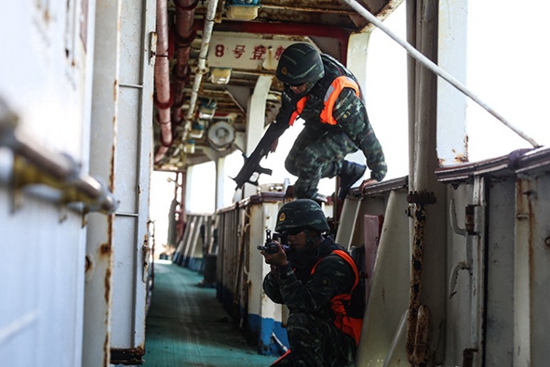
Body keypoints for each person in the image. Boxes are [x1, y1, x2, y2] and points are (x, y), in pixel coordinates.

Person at [272, 42, 387, 200]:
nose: (293, 89)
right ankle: (348, 170)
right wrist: (276, 135)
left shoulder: (341, 95)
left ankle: (307, 203)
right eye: (289, 84)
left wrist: (377, 173)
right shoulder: (295, 82)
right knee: (292, 164)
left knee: (309, 159)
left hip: (345, 132)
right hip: (320, 123)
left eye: (298, 85)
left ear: (312, 78)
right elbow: (286, 110)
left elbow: (365, 133)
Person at [261, 199, 362, 366]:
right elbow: (275, 295)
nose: (290, 238)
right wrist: (278, 268)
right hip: (318, 340)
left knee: (299, 321)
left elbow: (303, 304)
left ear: (314, 231)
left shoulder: (333, 262)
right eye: (286, 234)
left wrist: (285, 267)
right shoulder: (304, 257)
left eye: (295, 231)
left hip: (343, 346)